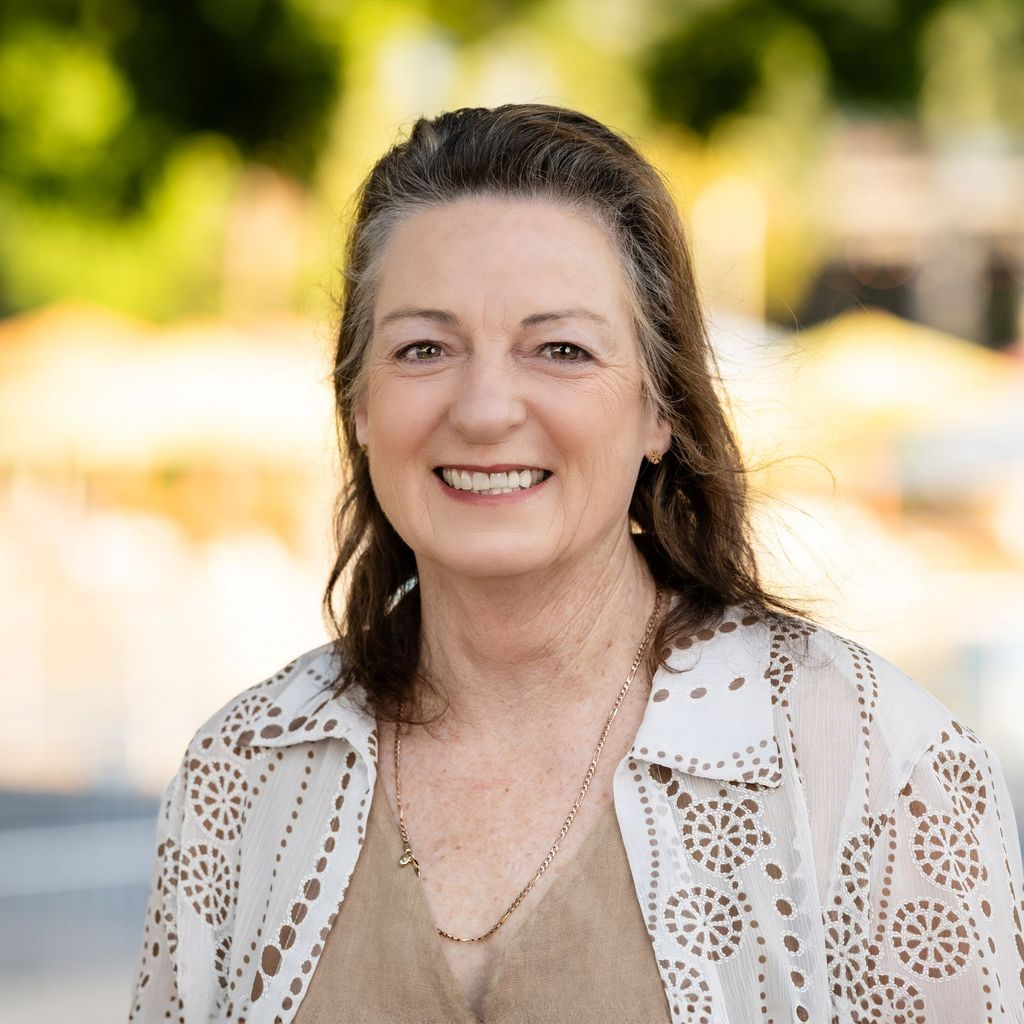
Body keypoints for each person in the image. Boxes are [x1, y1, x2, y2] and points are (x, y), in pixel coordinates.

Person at [127, 104, 1024, 1024]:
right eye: (423, 348)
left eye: (560, 349)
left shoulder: (879, 773)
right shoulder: (240, 776)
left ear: (659, 409)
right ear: (358, 405)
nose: (483, 408)